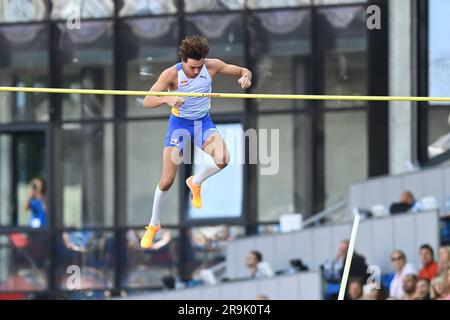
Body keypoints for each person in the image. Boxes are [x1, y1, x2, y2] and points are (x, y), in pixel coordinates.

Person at [140, 35, 252, 248]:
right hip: (179, 126)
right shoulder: (171, 74)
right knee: (166, 181)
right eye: (192, 68)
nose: (195, 72)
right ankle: (154, 224)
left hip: (203, 123)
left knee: (223, 158)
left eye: (199, 67)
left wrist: (245, 77)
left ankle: (196, 181)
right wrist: (167, 98)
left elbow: (243, 70)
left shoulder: (212, 66)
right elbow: (147, 100)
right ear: (184, 60)